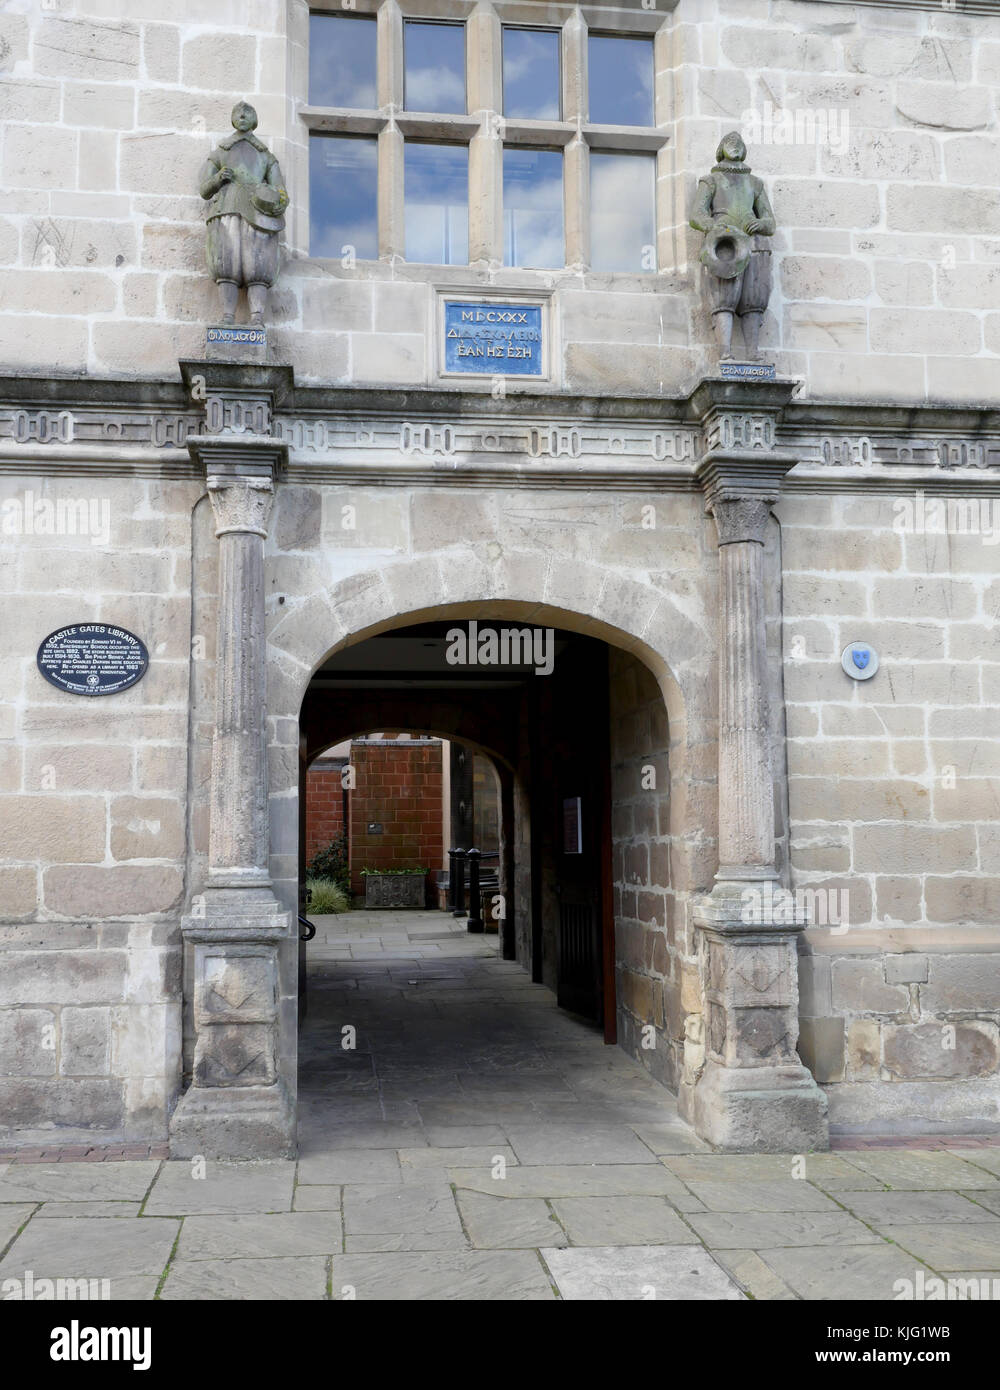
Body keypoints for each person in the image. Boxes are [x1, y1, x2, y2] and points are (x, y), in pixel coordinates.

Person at [199, 101, 289, 327]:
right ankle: (227, 316)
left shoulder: (265, 156)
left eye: (247, 113)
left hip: (258, 213)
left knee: (258, 265)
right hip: (227, 208)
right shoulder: (221, 152)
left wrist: (277, 202)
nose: (242, 115)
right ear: (232, 118)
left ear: (255, 120)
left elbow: (280, 191)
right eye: (238, 113)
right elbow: (204, 189)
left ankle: (257, 317)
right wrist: (219, 178)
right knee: (226, 262)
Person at [690, 132, 776, 362]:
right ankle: (725, 353)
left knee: (753, 299)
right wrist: (715, 226)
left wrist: (760, 223)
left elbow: (770, 222)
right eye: (730, 143)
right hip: (725, 243)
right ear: (721, 149)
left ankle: (753, 354)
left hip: (754, 243)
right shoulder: (711, 181)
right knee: (723, 298)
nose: (735, 146)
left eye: (739, 143)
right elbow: (697, 215)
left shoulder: (755, 183)